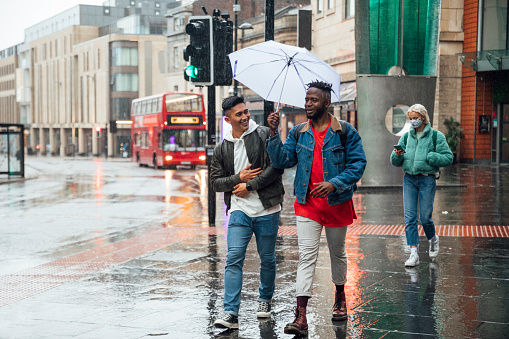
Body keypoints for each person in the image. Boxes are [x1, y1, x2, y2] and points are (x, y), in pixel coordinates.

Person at [266, 81, 367, 336]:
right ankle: (300, 316)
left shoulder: (345, 131)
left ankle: (340, 297)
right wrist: (273, 134)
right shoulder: (299, 131)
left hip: (336, 203)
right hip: (307, 204)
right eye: (306, 99)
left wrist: (334, 184)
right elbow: (283, 160)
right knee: (306, 256)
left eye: (313, 100)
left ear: (326, 102)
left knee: (338, 254)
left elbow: (358, 164)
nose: (308, 104)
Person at [210, 96, 285, 329]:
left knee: (268, 259)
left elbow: (277, 167)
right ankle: (231, 312)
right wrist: (238, 179)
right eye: (238, 114)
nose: (244, 117)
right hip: (240, 210)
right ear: (227, 119)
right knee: (233, 258)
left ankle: (265, 300)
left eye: (245, 112)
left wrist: (250, 185)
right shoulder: (222, 147)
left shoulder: (264, 134)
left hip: (266, 208)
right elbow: (215, 182)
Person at [390, 104, 453, 267]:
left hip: (427, 180)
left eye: (415, 118)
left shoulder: (435, 137)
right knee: (410, 218)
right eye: (410, 119)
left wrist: (432, 158)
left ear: (423, 118)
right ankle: (413, 254)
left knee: (425, 217)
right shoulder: (405, 137)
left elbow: (448, 157)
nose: (412, 122)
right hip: (409, 179)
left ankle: (433, 239)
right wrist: (396, 156)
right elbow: (395, 161)